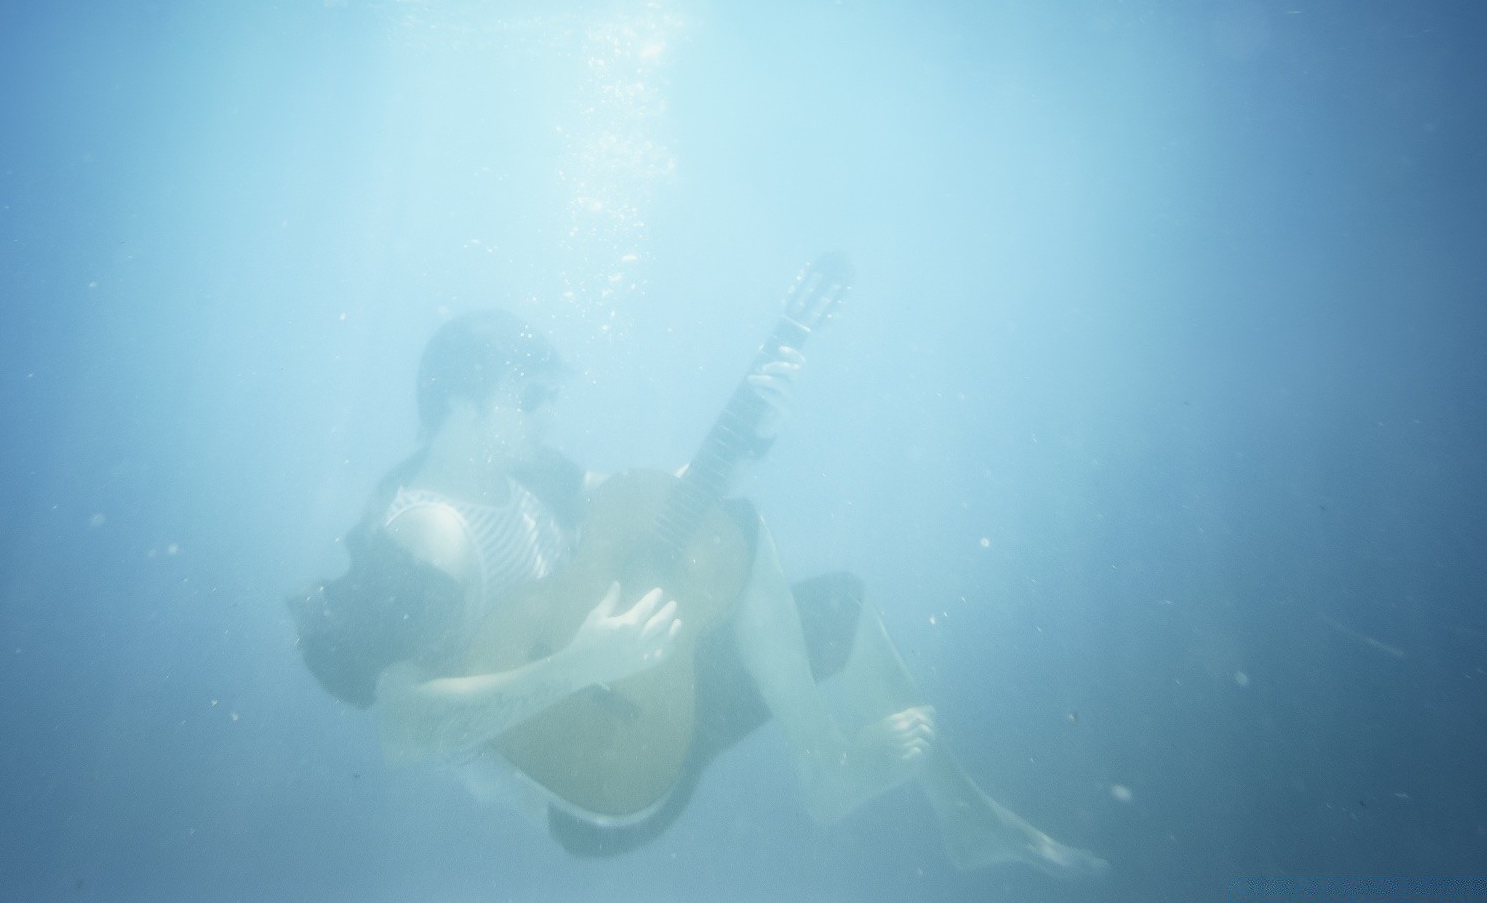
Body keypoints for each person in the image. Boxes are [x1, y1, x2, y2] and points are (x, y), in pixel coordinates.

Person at [290, 310, 1105, 875]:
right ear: (462, 407)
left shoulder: (524, 470)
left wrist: (742, 434)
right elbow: (403, 730)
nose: (549, 414)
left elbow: (656, 513)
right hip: (588, 789)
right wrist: (576, 666)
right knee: (746, 537)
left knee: (837, 609)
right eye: (531, 398)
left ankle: (964, 815)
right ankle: (826, 768)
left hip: (624, 701)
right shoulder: (427, 532)